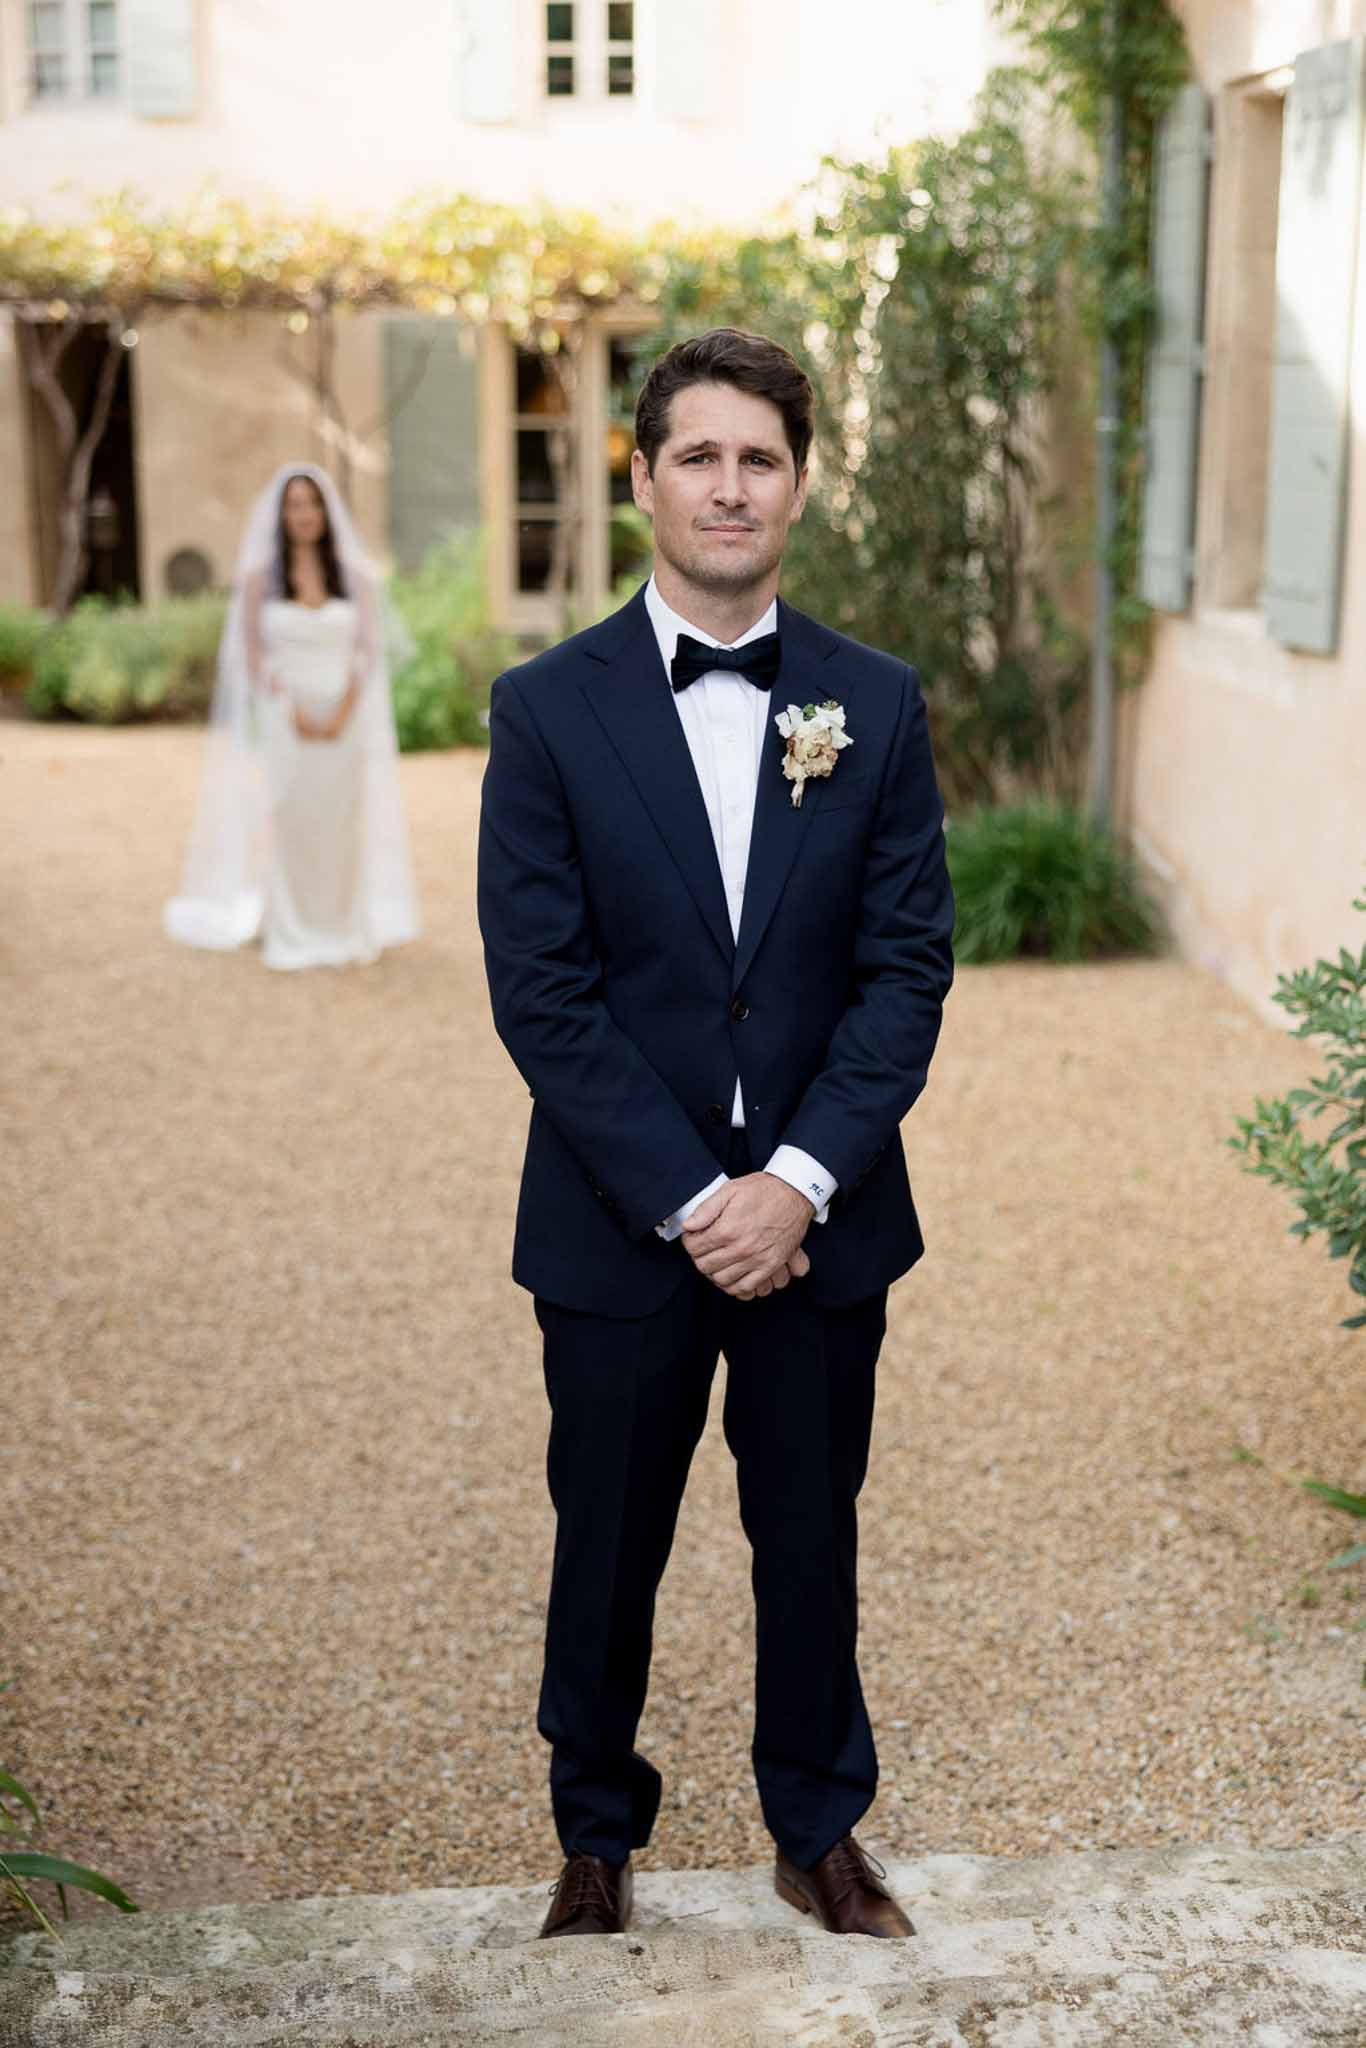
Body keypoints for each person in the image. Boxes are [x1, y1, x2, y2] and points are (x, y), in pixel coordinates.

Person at [477, 329, 954, 1941]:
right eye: (699, 456)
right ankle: (594, 1838)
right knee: (605, 1539)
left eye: (759, 458)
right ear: (643, 477)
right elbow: (542, 993)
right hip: (622, 1222)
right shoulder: (543, 711)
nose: (729, 485)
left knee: (808, 1533)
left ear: (799, 485)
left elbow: (905, 971)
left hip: (824, 1221)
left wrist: (799, 1180)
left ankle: (816, 1827)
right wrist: (698, 1197)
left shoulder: (872, 706)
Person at [164, 462, 419, 969]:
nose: (304, 514)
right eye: (294, 505)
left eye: (312, 504)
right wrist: (289, 709)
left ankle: (342, 925)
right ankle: (293, 927)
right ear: (281, 515)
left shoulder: (353, 575)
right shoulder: (259, 579)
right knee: (291, 818)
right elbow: (252, 657)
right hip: (287, 722)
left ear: (326, 512)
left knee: (341, 822)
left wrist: (344, 710)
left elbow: (369, 651)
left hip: (345, 722)